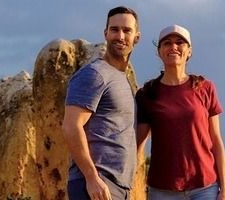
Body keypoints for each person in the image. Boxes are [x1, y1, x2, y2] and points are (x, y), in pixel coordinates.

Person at [135, 24, 225, 200]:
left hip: (205, 187)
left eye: (180, 42)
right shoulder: (147, 93)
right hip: (162, 190)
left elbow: (216, 140)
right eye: (167, 43)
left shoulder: (205, 88)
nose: (173, 47)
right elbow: (137, 142)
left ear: (189, 51)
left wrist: (224, 189)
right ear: (159, 51)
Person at [62, 6, 141, 200]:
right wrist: (91, 178)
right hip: (96, 186)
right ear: (105, 34)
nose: (120, 36)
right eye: (114, 30)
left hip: (117, 187)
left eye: (126, 30)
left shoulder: (122, 79)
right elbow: (71, 126)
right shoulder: (95, 74)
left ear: (136, 37)